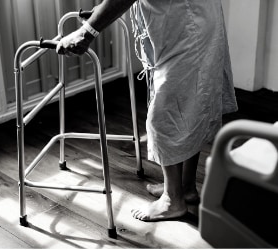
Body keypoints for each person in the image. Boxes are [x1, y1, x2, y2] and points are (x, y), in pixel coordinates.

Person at [56, 0, 238, 222]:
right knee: (192, 106)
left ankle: (173, 201)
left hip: (188, 26)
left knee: (165, 115)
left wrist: (87, 31)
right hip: (189, 19)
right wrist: (101, 14)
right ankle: (185, 187)